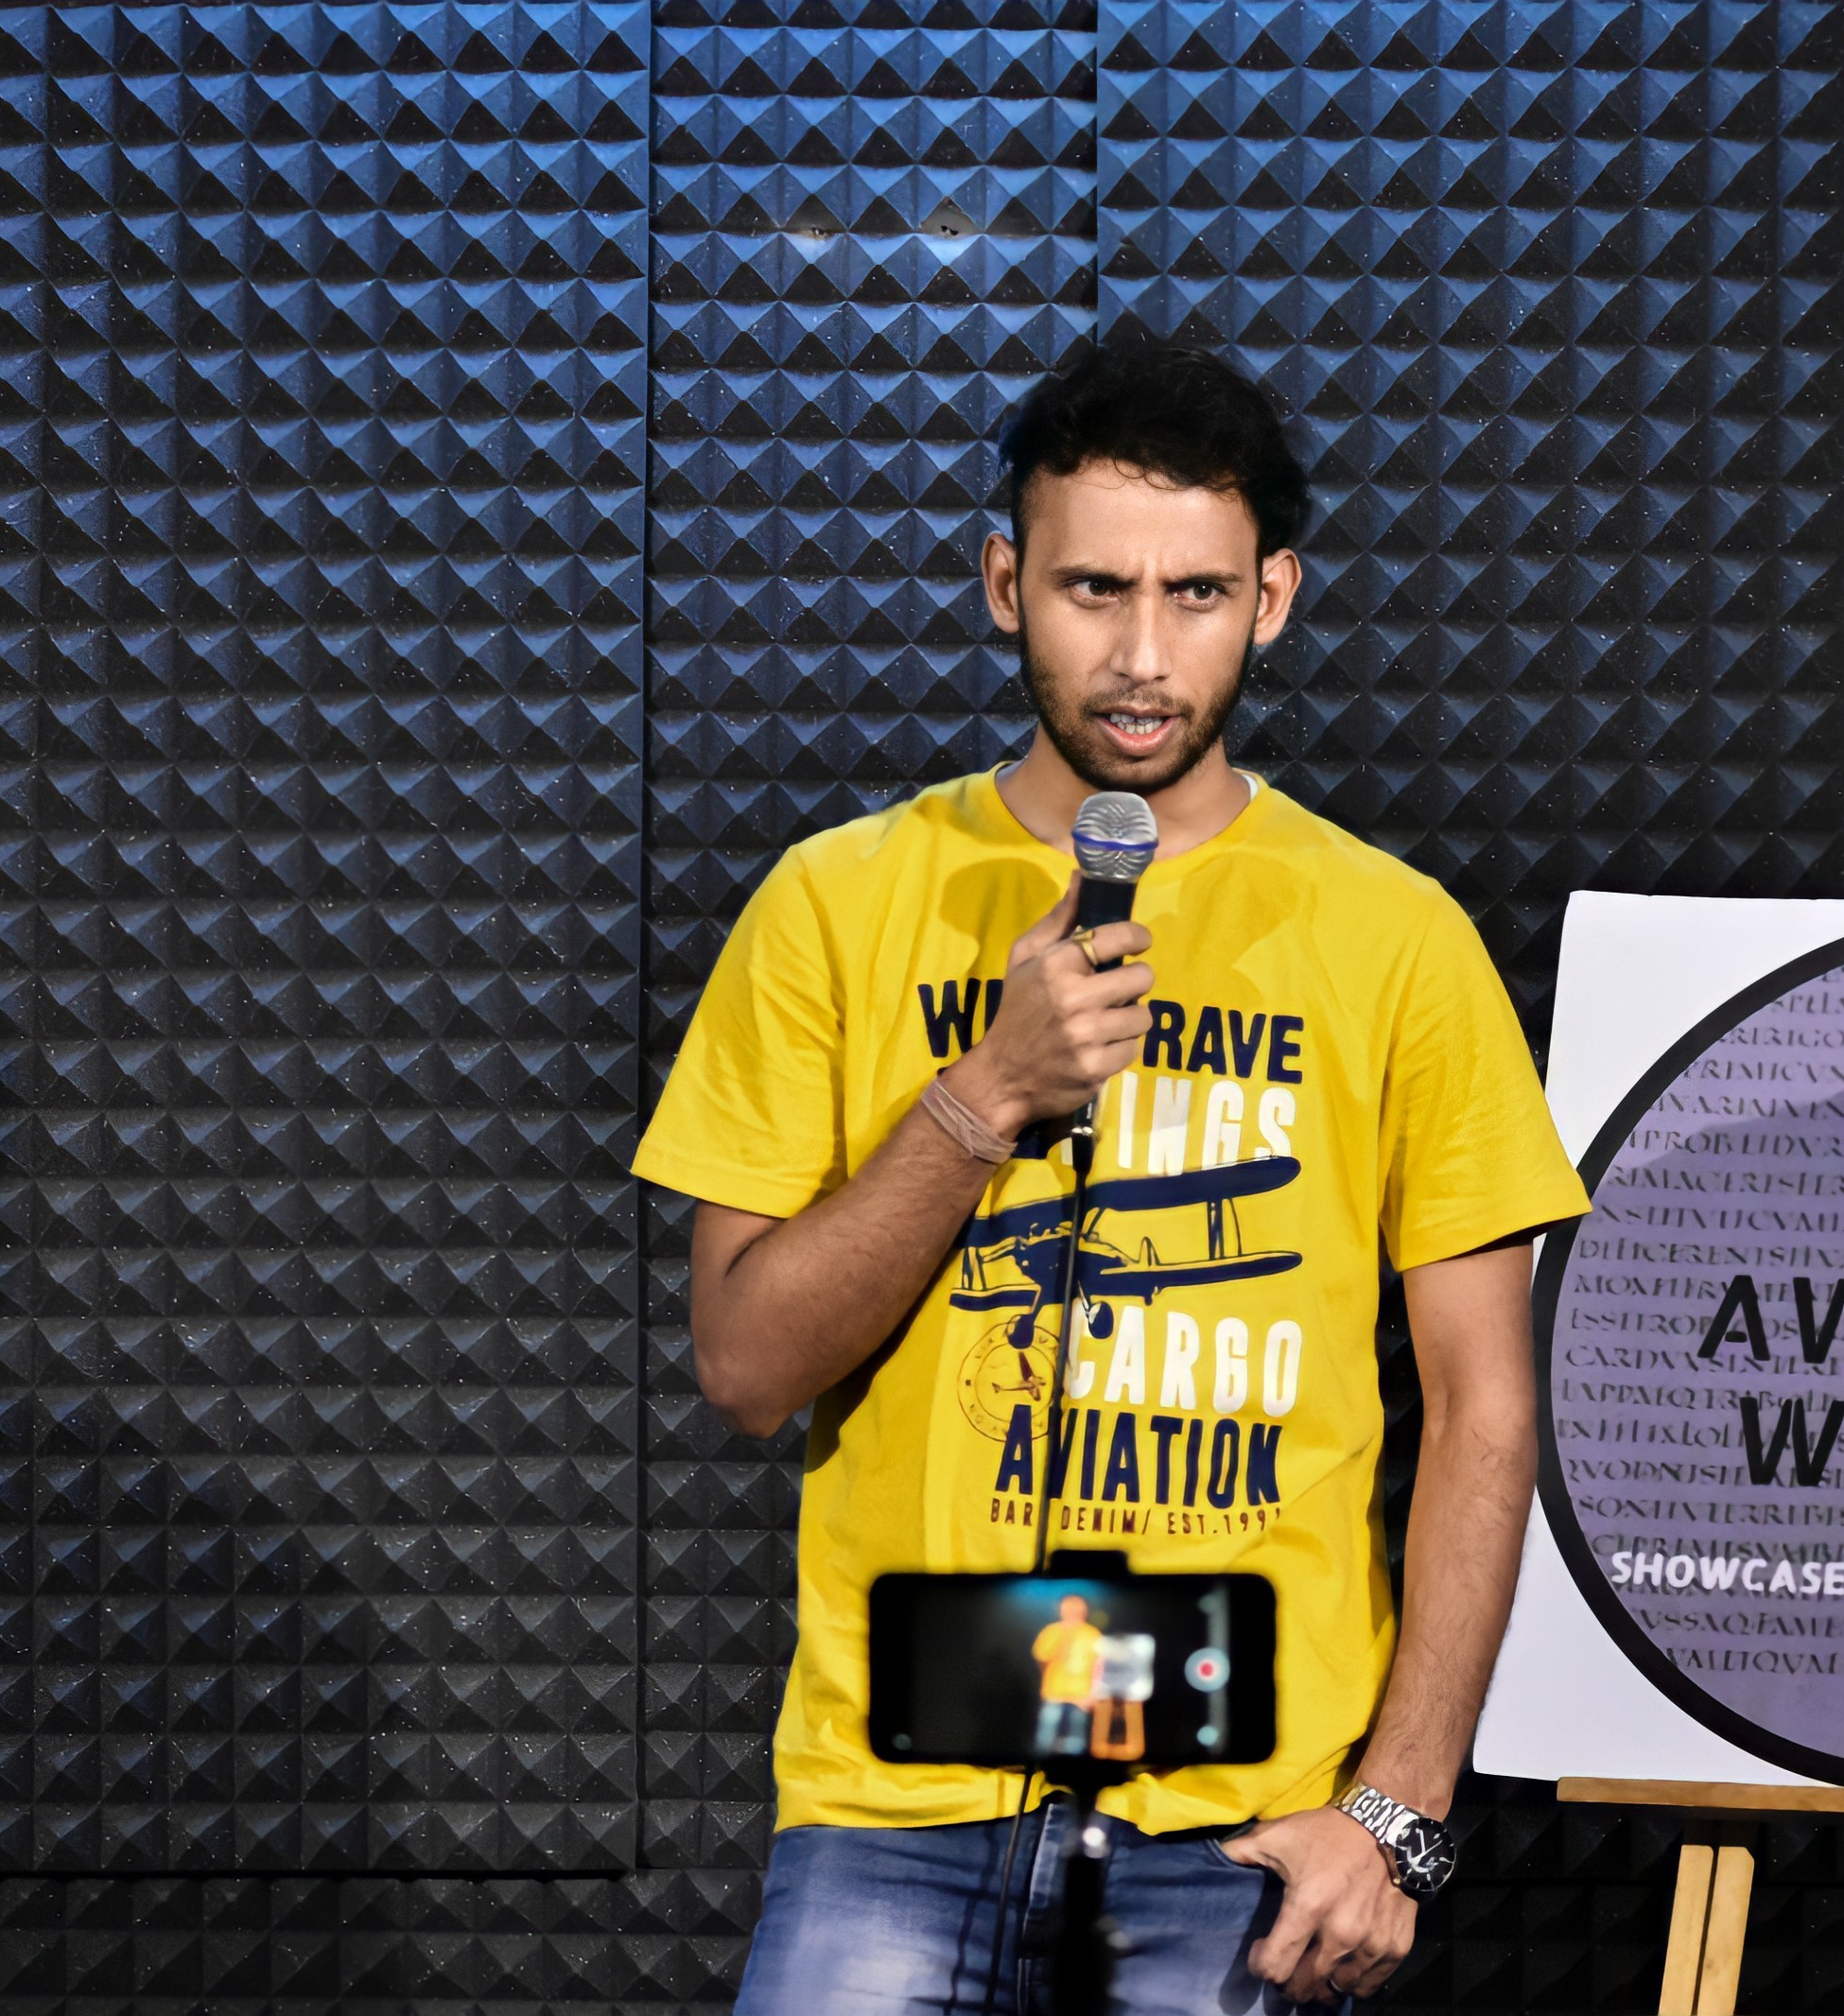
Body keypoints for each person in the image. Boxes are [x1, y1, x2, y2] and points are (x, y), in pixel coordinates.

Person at [632, 340, 1592, 2012]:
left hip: (1236, 1836)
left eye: (1196, 593)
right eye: (1093, 589)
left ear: (1272, 599)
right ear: (1006, 583)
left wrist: (1399, 1816)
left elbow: (1486, 1409)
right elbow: (745, 1365)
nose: (1143, 656)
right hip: (893, 1817)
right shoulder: (836, 903)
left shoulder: (1397, 939)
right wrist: (985, 1093)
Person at [1030, 1594, 1106, 1760]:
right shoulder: (1052, 1631)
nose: (1073, 1611)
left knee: (1075, 1743)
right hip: (1054, 1695)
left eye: (1077, 1607)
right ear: (1061, 1610)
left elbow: (1100, 1666)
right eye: (1068, 1607)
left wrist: (1095, 1693)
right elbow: (1042, 1657)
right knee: (1046, 1740)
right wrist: (1064, 1637)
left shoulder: (1092, 1634)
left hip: (1081, 1697)